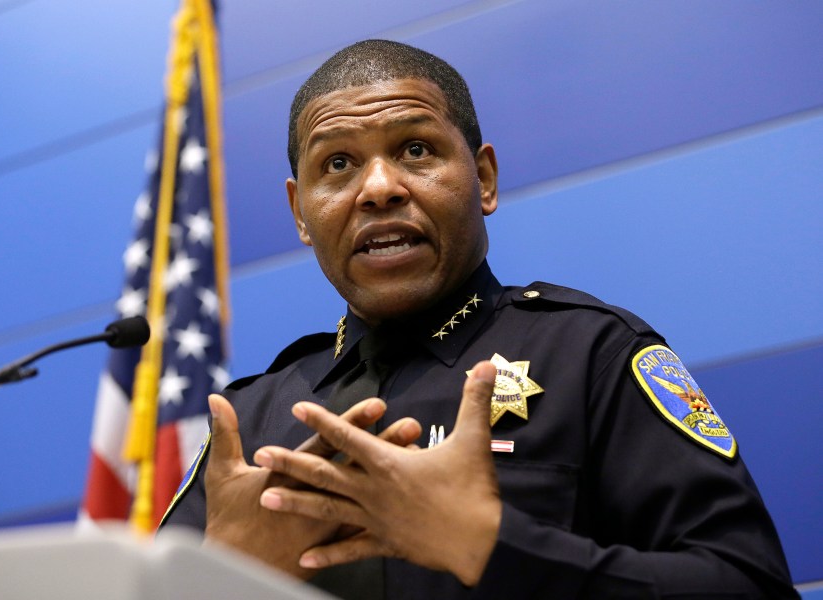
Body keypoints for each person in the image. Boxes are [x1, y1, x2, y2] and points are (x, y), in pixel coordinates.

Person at [160, 39, 798, 599]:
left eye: (415, 149)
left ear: (483, 179)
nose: (378, 187)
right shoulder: (246, 423)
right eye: (338, 164)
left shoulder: (590, 355)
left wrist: (493, 546)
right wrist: (212, 582)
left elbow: (750, 585)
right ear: (301, 213)